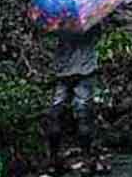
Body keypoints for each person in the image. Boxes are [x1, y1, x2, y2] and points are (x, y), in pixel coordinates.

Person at [43, 25, 110, 175]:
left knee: (56, 112)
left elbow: (52, 37)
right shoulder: (90, 20)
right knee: (84, 114)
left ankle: (54, 161)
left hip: (63, 71)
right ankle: (87, 161)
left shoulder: (59, 20)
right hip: (85, 71)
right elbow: (97, 37)